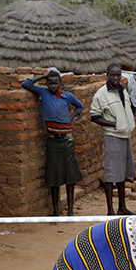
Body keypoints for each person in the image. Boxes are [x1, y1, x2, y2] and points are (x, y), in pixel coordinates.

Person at [22, 70, 84, 216]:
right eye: (50, 83)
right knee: (53, 176)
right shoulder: (43, 93)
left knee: (70, 176)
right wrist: (43, 76)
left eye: (56, 83)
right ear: (47, 84)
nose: (53, 86)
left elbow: (80, 106)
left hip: (67, 140)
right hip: (53, 140)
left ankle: (70, 211)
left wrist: (70, 118)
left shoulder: (66, 96)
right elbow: (26, 84)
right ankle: (56, 211)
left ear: (60, 84)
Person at [91, 63, 136, 216]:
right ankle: (110, 210)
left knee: (121, 173)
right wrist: (115, 124)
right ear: (107, 75)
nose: (116, 78)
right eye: (113, 75)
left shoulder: (122, 91)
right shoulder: (101, 94)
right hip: (113, 136)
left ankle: (122, 207)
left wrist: (124, 124)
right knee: (111, 174)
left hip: (125, 135)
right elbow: (95, 117)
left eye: (118, 75)